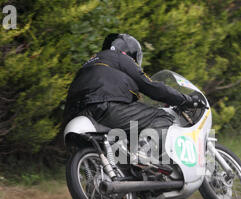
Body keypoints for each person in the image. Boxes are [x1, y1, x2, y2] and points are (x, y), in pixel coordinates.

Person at [63, 33, 205, 145]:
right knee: (161, 117)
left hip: (76, 114)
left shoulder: (89, 64)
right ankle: (144, 152)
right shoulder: (120, 58)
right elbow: (150, 86)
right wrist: (186, 100)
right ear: (130, 53)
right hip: (106, 107)